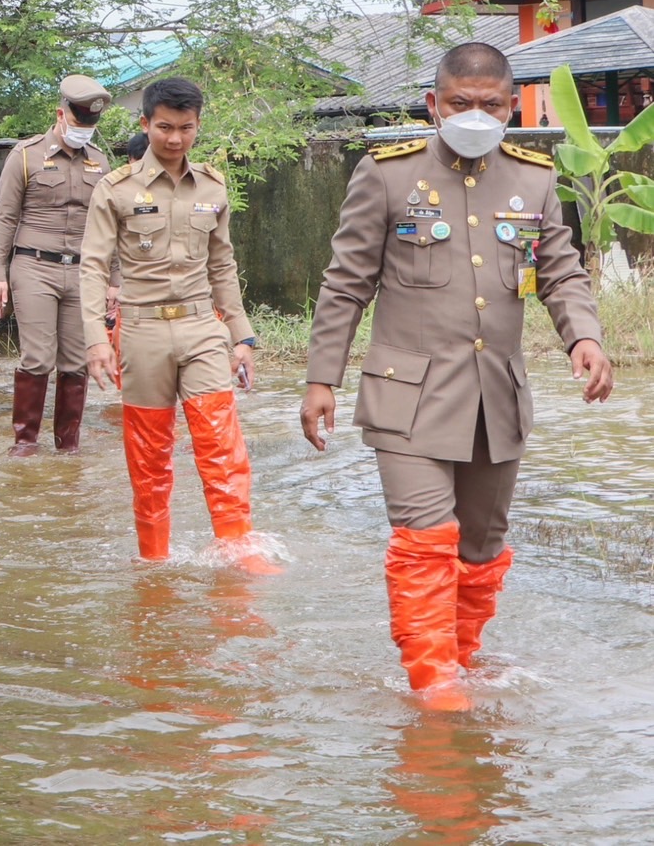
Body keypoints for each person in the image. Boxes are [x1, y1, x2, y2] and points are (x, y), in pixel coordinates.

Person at [300, 41, 613, 710]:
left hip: (494, 395)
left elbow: (557, 272)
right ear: (432, 105)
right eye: (461, 103)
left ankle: (459, 657)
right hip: (405, 398)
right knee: (423, 536)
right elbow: (345, 284)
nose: (476, 114)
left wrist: (583, 337)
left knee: (479, 545)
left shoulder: (531, 179)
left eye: (490, 104)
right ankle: (431, 680)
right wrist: (320, 378)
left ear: (511, 106)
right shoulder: (386, 175)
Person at [81, 78, 274, 573]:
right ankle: (153, 558)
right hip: (141, 331)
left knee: (220, 440)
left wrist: (242, 336)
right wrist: (96, 341)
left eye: (185, 128)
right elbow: (93, 267)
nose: (175, 139)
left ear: (197, 126)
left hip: (200, 327)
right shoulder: (115, 189)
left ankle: (238, 549)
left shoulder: (212, 185)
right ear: (145, 124)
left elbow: (222, 267)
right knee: (149, 453)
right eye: (164, 127)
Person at [0, 74, 117, 456]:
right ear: (60, 114)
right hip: (34, 267)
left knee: (77, 359)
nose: (84, 132)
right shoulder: (25, 155)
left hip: (84, 271)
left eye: (90, 126)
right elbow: (5, 219)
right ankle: (25, 442)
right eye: (78, 123)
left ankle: (68, 446)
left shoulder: (100, 162)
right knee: (38, 356)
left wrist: (116, 279)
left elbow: (112, 226)